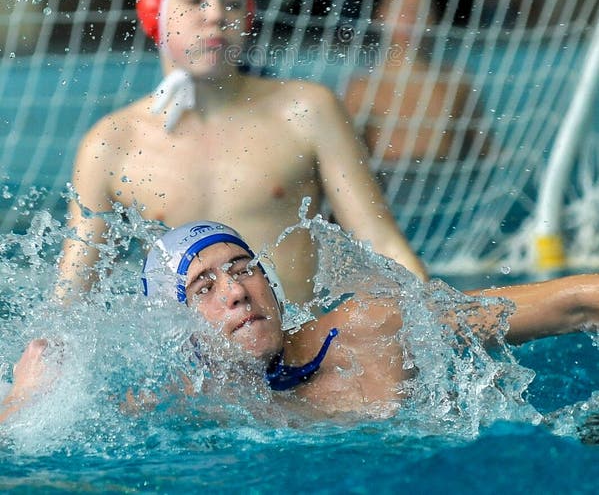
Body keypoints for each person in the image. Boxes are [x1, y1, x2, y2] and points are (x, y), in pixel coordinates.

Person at [58, 0, 426, 305]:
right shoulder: (111, 143)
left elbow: (381, 243)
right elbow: (72, 295)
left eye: (232, 2)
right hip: (185, 360)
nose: (217, 14)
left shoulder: (306, 110)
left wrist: (437, 325)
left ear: (246, 17)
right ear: (155, 10)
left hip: (302, 349)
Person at [5, 220, 599, 423]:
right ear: (175, 328)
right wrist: (29, 396)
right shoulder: (171, 403)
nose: (236, 291)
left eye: (245, 269)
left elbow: (571, 302)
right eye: (203, 287)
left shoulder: (370, 328)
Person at [344, 0, 489, 166]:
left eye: (418, 11)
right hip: (392, 185)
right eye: (401, 10)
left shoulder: (455, 82)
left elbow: (485, 150)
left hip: (445, 185)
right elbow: (346, 158)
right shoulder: (362, 89)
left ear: (433, 19)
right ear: (381, 17)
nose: (410, 20)